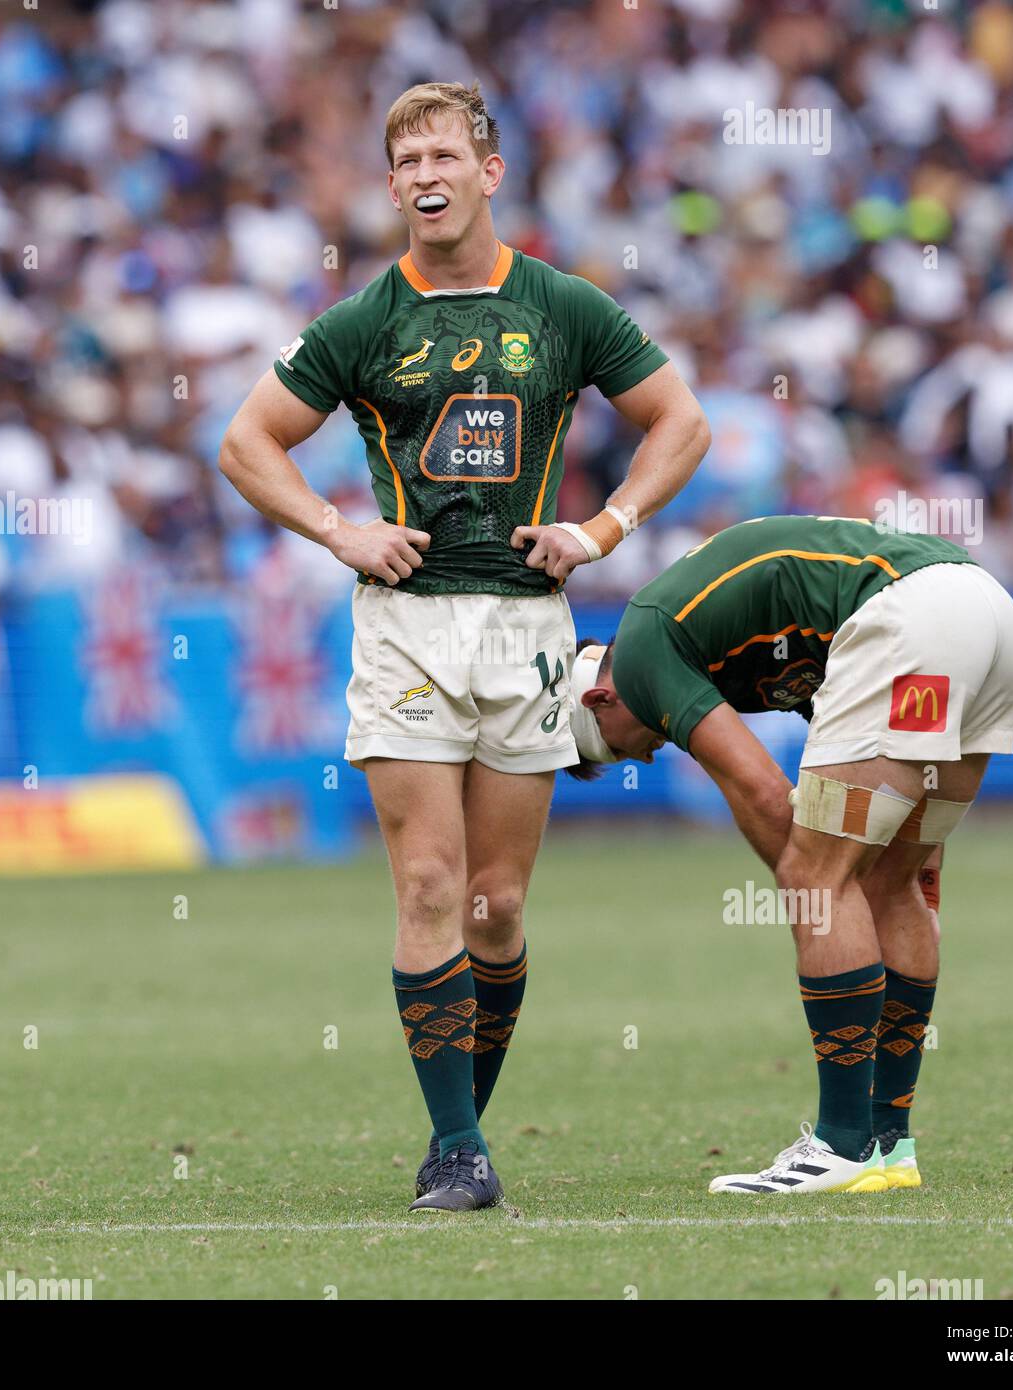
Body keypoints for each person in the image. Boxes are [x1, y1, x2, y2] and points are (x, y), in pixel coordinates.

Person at [220, 81, 710, 1211]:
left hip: (530, 629)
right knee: (430, 881)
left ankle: (462, 1128)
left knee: (495, 906)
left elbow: (680, 422)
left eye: (444, 153)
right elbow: (247, 443)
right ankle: (457, 1150)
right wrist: (342, 530)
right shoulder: (361, 320)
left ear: (491, 173)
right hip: (406, 627)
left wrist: (601, 528)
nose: (424, 175)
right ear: (391, 186)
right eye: (404, 161)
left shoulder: (563, 304)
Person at [567, 514, 1013, 1194]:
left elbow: (757, 788)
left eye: (609, 744)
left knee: (816, 874)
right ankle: (887, 1144)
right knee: (895, 882)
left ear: (599, 696)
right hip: (989, 617)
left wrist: (812, 885)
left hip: (911, 616)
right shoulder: (735, 648)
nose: (642, 752)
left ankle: (840, 1148)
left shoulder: (639, 652)